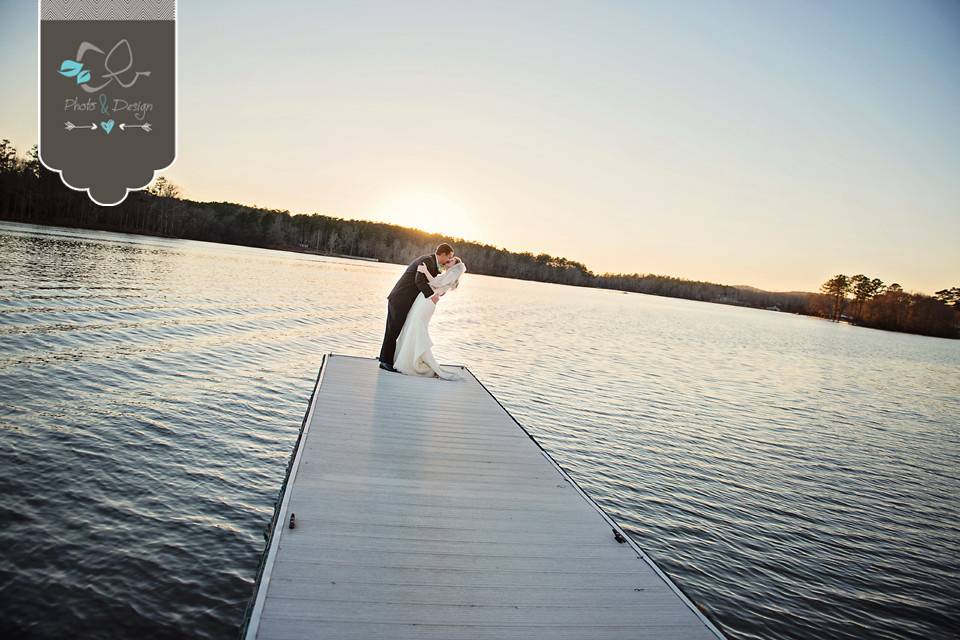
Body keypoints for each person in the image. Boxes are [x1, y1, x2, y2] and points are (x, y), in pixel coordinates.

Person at [378, 243, 455, 372]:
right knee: (393, 331)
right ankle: (385, 361)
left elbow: (431, 281)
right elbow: (419, 280)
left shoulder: (432, 263)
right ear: (443, 254)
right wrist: (432, 296)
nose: (448, 260)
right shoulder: (427, 261)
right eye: (449, 257)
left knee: (395, 330)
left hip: (404, 300)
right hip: (400, 299)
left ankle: (386, 357)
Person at [393, 256, 466, 380]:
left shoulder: (451, 274)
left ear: (456, 266)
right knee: (412, 327)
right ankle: (409, 358)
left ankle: (418, 362)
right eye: (450, 258)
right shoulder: (447, 273)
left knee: (418, 328)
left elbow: (436, 283)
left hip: (427, 302)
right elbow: (437, 284)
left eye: (452, 260)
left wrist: (425, 271)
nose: (450, 260)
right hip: (424, 299)